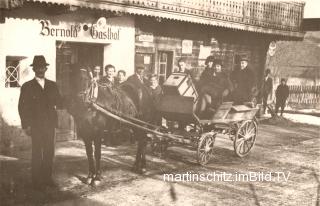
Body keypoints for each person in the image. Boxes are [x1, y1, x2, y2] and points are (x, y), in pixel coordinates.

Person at [18, 55, 62, 190]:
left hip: (49, 124)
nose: (40, 69)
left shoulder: (52, 85)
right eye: (38, 67)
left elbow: (59, 102)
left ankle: (47, 178)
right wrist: (26, 125)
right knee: (37, 152)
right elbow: (22, 107)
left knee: (49, 152)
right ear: (34, 69)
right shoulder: (27, 86)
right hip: (36, 125)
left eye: (42, 67)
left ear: (46, 68)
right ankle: (36, 181)